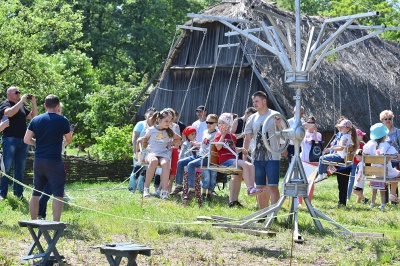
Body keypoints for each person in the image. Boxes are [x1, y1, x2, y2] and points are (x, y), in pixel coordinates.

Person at [24, 95, 72, 221]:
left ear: (44, 105)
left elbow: (26, 139)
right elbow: (69, 139)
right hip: (54, 161)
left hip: (39, 160)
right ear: (57, 106)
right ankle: (56, 223)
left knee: (36, 192)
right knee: (58, 194)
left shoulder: (36, 120)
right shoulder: (63, 120)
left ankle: (33, 221)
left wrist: (37, 143)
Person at [243, 91, 284, 208]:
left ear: (264, 101)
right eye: (253, 102)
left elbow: (286, 134)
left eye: (257, 101)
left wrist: (280, 124)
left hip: (273, 157)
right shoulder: (252, 118)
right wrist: (244, 156)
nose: (254, 104)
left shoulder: (275, 115)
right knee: (260, 187)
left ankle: (273, 214)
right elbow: (247, 138)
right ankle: (262, 215)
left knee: (272, 186)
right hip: (257, 157)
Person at [0, 86, 38, 200]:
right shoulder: (5, 104)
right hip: (10, 139)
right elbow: (9, 113)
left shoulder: (21, 106)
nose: (18, 94)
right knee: (6, 168)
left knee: (20, 168)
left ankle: (18, 193)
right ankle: (2, 194)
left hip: (23, 140)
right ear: (9, 94)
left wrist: (34, 103)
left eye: (19, 92)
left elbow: (33, 116)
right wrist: (21, 101)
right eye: (16, 92)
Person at [171, 114, 219, 203]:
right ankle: (178, 185)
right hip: (200, 154)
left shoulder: (217, 134)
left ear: (216, 124)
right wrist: (198, 144)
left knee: (191, 164)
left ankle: (191, 188)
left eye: (211, 123)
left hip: (208, 157)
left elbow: (217, 147)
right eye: (207, 122)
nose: (208, 124)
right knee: (180, 162)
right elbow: (205, 143)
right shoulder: (205, 132)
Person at [215, 113, 264, 199]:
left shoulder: (232, 136)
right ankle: (249, 188)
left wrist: (240, 149)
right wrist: (222, 135)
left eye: (223, 123)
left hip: (232, 159)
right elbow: (218, 147)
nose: (220, 125)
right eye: (219, 123)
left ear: (229, 125)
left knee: (251, 165)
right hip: (224, 160)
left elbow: (232, 149)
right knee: (244, 164)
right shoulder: (218, 135)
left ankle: (251, 188)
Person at [137, 109, 180, 200]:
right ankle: (146, 189)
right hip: (152, 152)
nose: (168, 123)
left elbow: (178, 139)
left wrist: (171, 143)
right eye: (166, 121)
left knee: (165, 164)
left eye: (170, 121)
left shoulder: (169, 131)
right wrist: (143, 143)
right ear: (159, 120)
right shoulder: (151, 130)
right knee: (154, 161)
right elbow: (145, 139)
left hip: (163, 153)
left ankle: (164, 191)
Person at [364, 123, 400, 210]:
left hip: (375, 173)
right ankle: (393, 194)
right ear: (384, 135)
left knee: (395, 175)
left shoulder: (369, 144)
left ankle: (393, 195)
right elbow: (397, 157)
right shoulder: (387, 145)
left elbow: (364, 153)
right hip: (387, 172)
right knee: (398, 174)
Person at [129, 107, 156, 193]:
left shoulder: (155, 127)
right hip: (139, 150)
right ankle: (131, 188)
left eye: (153, 115)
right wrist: (135, 149)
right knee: (137, 169)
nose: (151, 116)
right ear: (146, 115)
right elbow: (135, 136)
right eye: (150, 114)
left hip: (149, 152)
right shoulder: (141, 124)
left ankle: (141, 188)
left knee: (145, 171)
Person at [298, 116, 322, 205]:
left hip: (313, 161)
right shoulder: (303, 133)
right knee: (301, 181)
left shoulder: (318, 134)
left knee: (311, 182)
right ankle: (299, 202)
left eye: (311, 123)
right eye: (308, 122)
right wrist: (302, 127)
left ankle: (309, 201)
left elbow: (317, 145)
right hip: (303, 160)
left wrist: (315, 133)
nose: (310, 124)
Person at [380, 110, 400, 203]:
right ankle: (384, 201)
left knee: (394, 178)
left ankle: (394, 201)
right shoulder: (380, 133)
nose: (388, 120)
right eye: (386, 119)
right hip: (384, 160)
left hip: (395, 159)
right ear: (382, 120)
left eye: (390, 118)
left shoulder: (398, 132)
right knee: (384, 179)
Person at [346, 128, 367, 203]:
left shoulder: (363, 144)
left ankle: (360, 198)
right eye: (361, 135)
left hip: (361, 164)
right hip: (354, 164)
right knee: (351, 181)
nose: (362, 137)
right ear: (357, 135)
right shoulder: (352, 144)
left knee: (361, 181)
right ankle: (347, 197)